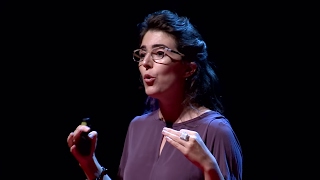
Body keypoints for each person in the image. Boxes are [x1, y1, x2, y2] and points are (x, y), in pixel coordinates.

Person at [67, 9, 243, 180]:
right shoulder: (137, 127)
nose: (145, 63)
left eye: (159, 53)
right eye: (143, 54)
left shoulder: (215, 131)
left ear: (188, 69)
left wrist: (208, 165)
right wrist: (89, 164)